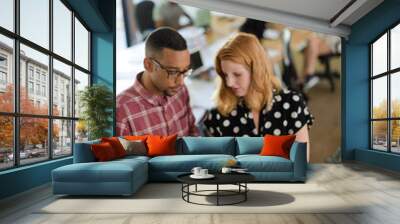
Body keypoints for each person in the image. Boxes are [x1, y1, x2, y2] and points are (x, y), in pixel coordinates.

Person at [203, 33, 314, 160]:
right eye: (225, 75)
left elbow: (301, 162)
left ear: (257, 70)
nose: (229, 83)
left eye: (237, 74)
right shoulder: (218, 115)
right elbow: (219, 165)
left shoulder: (292, 104)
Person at [116, 27, 199, 136]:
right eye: (173, 72)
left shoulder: (180, 90)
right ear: (148, 65)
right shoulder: (121, 113)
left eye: (185, 71)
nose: (181, 82)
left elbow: (193, 133)